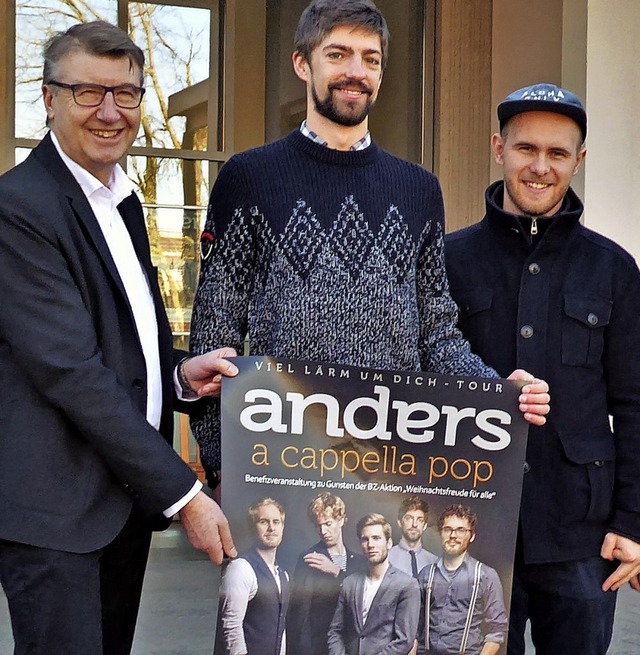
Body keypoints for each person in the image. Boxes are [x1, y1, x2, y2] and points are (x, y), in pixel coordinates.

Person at [188, 0, 550, 491]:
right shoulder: (248, 178)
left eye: (370, 59)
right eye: (337, 54)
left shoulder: (419, 189)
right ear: (303, 63)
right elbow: (215, 337)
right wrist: (220, 464)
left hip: (392, 467)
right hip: (276, 462)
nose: (355, 72)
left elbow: (437, 335)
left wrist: (497, 393)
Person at [0, 21, 238, 655]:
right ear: (49, 98)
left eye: (126, 94)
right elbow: (70, 370)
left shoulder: (121, 200)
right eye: (88, 92)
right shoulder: (20, 208)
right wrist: (186, 494)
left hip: (116, 514)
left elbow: (120, 340)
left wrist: (179, 376)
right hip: (58, 520)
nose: (110, 113)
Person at [444, 83, 640, 654]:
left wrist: (632, 523)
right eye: (527, 148)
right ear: (497, 148)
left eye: (558, 154)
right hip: (469, 528)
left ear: (578, 161)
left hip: (581, 535)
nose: (540, 166)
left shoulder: (614, 269)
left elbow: (633, 404)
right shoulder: (449, 261)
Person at [417, 505, 508, 655]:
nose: (453, 535)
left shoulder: (486, 576)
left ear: (471, 536)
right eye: (447, 529)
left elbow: (497, 630)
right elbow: (413, 626)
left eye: (461, 530)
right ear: (441, 533)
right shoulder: (426, 574)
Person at [327, 513, 420, 655]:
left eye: (376, 538)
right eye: (365, 539)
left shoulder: (407, 585)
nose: (370, 545)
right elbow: (335, 631)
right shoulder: (349, 583)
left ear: (388, 543)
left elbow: (404, 640)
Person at [287, 492, 366, 655]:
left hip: (353, 646)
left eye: (328, 523)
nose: (323, 531)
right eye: (318, 525)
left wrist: (336, 571)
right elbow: (300, 615)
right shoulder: (310, 558)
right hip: (319, 647)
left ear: (342, 520)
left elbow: (364, 598)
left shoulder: (359, 561)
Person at [215, 498, 290, 655]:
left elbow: (280, 630)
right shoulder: (241, 568)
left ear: (282, 527)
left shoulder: (283, 575)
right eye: (264, 522)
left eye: (276, 522)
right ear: (253, 527)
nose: (271, 528)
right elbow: (231, 626)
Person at [389, 496, 437, 578]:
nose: (414, 524)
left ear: (425, 525)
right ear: (400, 522)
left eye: (420, 520)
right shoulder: (387, 558)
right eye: (409, 518)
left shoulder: (435, 562)